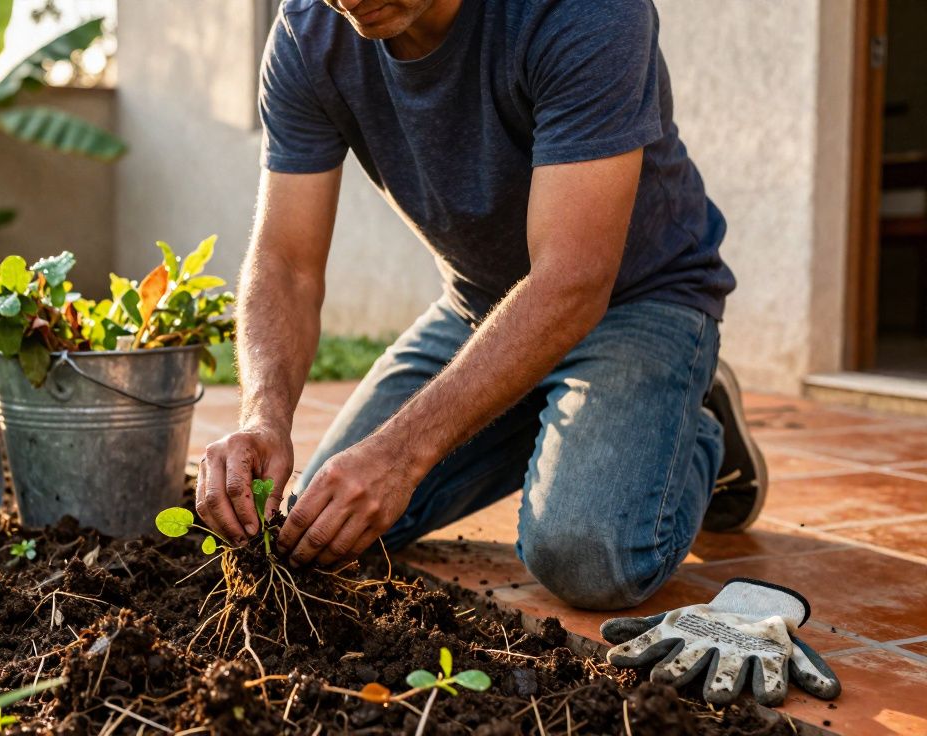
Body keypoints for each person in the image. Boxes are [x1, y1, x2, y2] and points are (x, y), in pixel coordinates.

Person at [196, 0, 767, 611]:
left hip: (640, 301)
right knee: (326, 522)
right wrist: (263, 416)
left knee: (585, 558)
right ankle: (548, 407)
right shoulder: (308, 33)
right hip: (479, 310)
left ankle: (696, 426)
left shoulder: (586, 12)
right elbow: (286, 263)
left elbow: (572, 281)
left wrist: (401, 453)